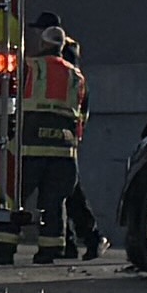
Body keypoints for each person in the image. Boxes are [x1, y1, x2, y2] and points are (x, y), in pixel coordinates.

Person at [18, 18, 103, 259]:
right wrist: (74, 139)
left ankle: (4, 249)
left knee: (16, 201)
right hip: (64, 149)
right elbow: (82, 111)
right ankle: (55, 248)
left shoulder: (31, 67)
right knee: (56, 202)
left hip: (30, 147)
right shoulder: (76, 74)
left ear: (43, 39)